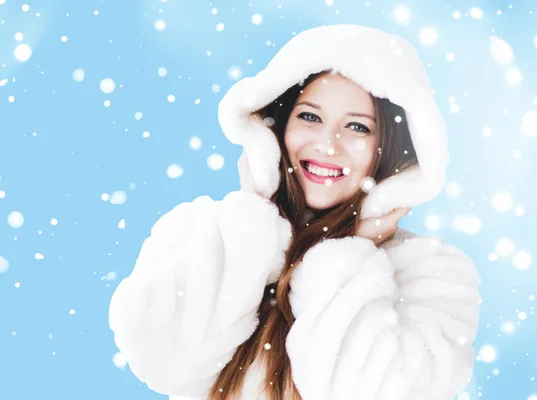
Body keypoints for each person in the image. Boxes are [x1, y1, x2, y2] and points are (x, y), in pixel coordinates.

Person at [108, 24, 482, 400]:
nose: (327, 145)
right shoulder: (207, 233)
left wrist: (349, 255)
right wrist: (252, 228)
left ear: (392, 146)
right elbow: (163, 365)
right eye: (310, 117)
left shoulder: (431, 274)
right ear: (277, 126)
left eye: (357, 127)